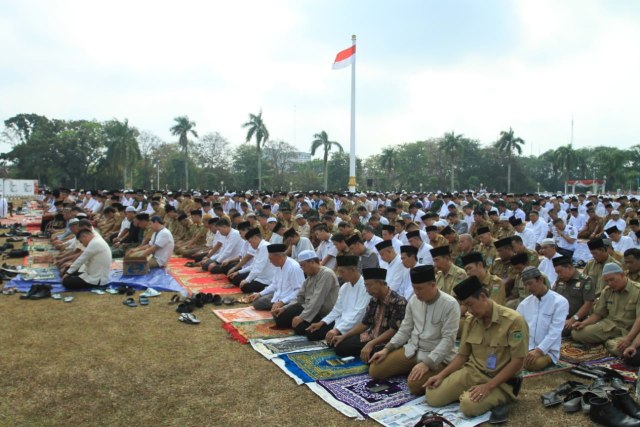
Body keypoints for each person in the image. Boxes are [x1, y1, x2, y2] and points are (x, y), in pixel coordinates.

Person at [424, 275, 527, 418]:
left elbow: (518, 362)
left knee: (468, 406)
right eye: (465, 306)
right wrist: (441, 376)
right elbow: (462, 356)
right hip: (473, 372)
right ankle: (471, 393)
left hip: (500, 381)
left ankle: (498, 398)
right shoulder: (471, 320)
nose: (468, 310)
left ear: (483, 297)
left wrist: (488, 386)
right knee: (432, 396)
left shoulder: (513, 320)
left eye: (470, 304)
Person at [369, 265, 460, 396]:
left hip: (435, 355)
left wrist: (427, 364)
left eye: (420, 289)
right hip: (412, 349)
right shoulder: (414, 301)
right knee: (375, 371)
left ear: (433, 285)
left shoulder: (450, 304)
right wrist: (387, 349)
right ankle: (413, 368)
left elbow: (448, 340)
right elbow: (405, 330)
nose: (416, 292)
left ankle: (439, 371)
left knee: (415, 387)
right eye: (414, 288)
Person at [331, 268, 407, 362]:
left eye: (369, 286)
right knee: (340, 347)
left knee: (374, 355)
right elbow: (364, 323)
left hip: (386, 342)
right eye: (365, 286)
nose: (367, 290)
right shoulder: (374, 299)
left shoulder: (399, 302)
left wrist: (371, 344)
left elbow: (393, 330)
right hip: (370, 336)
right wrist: (344, 336)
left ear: (380, 283)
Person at [572, 263, 640, 356]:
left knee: (620, 350)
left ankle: (609, 343)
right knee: (576, 333)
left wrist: (628, 339)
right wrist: (584, 323)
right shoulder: (607, 290)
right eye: (607, 281)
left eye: (612, 280)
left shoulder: (637, 291)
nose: (610, 283)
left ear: (622, 275)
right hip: (608, 327)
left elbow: (639, 319)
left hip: (628, 331)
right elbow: (598, 314)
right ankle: (608, 342)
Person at [306, 255, 371, 342]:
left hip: (355, 326)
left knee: (340, 348)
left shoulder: (365, 287)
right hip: (341, 321)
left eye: (342, 272)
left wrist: (337, 330)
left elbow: (359, 314)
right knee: (312, 333)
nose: (340, 275)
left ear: (352, 270)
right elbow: (337, 310)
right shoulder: (344, 287)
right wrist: (322, 322)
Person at [516, 266, 569, 371]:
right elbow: (517, 327)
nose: (528, 288)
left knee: (533, 364)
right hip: (526, 348)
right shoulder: (525, 304)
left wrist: (538, 351)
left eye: (530, 283)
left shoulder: (559, 302)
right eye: (525, 285)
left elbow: (555, 331)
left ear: (540, 280)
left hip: (547, 351)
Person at [272, 250, 339, 332]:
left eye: (303, 266)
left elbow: (317, 300)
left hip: (322, 312)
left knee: (301, 328)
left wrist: (302, 317)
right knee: (280, 317)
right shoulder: (310, 276)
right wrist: (285, 308)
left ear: (312, 262)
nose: (302, 269)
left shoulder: (326, 274)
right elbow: (300, 297)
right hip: (308, 308)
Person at [248, 244, 305, 311]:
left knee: (280, 318)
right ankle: (275, 306)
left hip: (290, 300)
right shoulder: (278, 265)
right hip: (278, 296)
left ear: (279, 257)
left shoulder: (294, 267)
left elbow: (299, 291)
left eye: (271, 259)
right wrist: (260, 294)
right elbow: (274, 284)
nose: (270, 261)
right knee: (257, 302)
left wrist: (282, 302)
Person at [236, 228, 275, 294]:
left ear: (255, 238)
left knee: (245, 287)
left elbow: (258, 267)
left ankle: (266, 289)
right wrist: (238, 272)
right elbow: (253, 265)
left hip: (267, 280)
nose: (250, 245)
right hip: (260, 277)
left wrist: (247, 280)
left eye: (250, 242)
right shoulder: (260, 247)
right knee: (238, 279)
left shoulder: (264, 247)